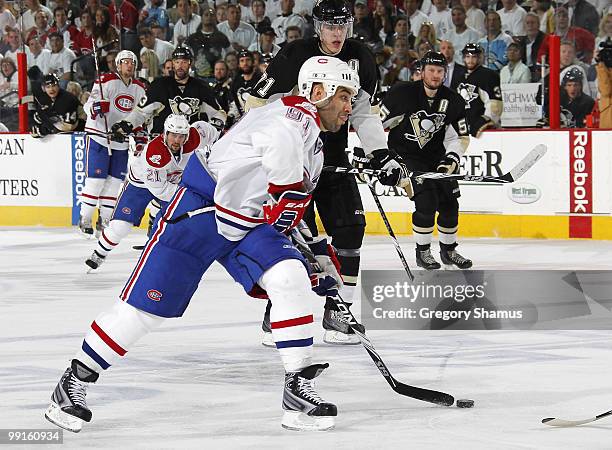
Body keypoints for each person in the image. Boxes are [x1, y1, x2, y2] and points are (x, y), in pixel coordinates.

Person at [44, 55, 359, 434]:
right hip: (201, 210)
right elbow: (284, 182)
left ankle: (297, 391)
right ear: (317, 90)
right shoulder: (289, 121)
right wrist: (304, 243)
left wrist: (315, 251)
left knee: (289, 277)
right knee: (143, 312)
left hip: (246, 220)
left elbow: (289, 207)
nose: (349, 106)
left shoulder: (314, 139)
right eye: (344, 95)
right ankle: (73, 381)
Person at [247, 0, 404, 345]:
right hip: (294, 161)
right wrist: (268, 148)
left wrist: (380, 154)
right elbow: (258, 102)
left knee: (351, 229)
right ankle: (280, 310)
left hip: (333, 160)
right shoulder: (293, 54)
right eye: (330, 26)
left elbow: (363, 110)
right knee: (294, 242)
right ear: (317, 27)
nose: (337, 33)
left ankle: (339, 312)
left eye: (342, 26)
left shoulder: (360, 56)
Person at [85, 116, 219, 271]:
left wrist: (217, 144)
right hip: (140, 185)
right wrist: (191, 194)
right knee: (121, 227)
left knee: (182, 223)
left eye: (181, 136)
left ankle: (162, 245)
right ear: (165, 133)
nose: (177, 140)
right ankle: (99, 253)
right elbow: (161, 190)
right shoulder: (155, 154)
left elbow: (209, 131)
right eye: (173, 135)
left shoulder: (195, 137)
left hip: (172, 181)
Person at [378, 51, 471, 269]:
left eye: (440, 71)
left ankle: (449, 251)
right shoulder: (402, 93)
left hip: (436, 158)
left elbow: (460, 137)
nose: (436, 75)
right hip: (407, 157)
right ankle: (423, 252)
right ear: (422, 71)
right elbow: (376, 123)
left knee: (450, 204)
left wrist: (452, 158)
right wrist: (378, 156)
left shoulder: (454, 100)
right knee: (426, 203)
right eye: (431, 70)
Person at [78, 50, 147, 238]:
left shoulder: (140, 88)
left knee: (115, 182)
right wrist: (95, 107)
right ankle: (85, 217)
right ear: (118, 64)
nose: (129, 65)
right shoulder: (105, 81)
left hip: (120, 140)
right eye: (125, 62)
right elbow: (88, 104)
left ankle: (105, 218)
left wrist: (139, 133)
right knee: (96, 180)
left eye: (132, 62)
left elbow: (139, 115)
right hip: (99, 135)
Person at [112, 46, 226, 138]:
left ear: (190, 63)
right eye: (177, 62)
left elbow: (218, 113)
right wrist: (126, 124)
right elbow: (141, 112)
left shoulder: (201, 87)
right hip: (160, 141)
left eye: (184, 62)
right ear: (173, 63)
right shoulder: (160, 85)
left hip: (188, 144)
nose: (180, 66)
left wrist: (212, 130)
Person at [457, 43, 502, 136]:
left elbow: (495, 104)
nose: (470, 60)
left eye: (473, 57)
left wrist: (487, 119)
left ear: (479, 58)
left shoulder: (488, 75)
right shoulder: (459, 76)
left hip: (483, 129)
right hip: (463, 127)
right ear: (463, 58)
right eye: (467, 57)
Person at [31, 73, 80, 137]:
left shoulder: (68, 99)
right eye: (48, 87)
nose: (51, 89)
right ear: (43, 88)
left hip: (76, 131)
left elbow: (68, 127)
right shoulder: (43, 98)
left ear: (58, 86)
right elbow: (39, 117)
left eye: (54, 86)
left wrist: (46, 128)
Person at [230, 49, 262, 118]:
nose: (245, 63)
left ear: (253, 62)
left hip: (260, 118)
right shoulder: (235, 82)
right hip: (243, 120)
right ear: (238, 64)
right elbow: (235, 104)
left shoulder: (260, 79)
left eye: (248, 60)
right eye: (242, 61)